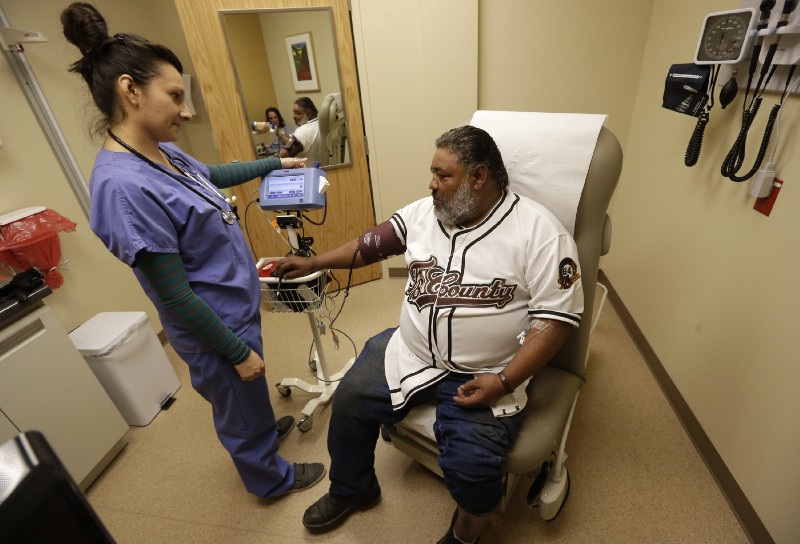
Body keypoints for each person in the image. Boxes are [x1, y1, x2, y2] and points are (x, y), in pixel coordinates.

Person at [60, 2, 325, 499]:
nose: (186, 110)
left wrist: (273, 166)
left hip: (233, 307)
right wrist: (235, 351)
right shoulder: (122, 187)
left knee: (249, 394)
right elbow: (178, 298)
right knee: (240, 401)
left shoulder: (158, 149)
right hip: (214, 326)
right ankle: (270, 479)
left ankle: (264, 437)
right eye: (176, 95)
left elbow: (212, 177)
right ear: (130, 90)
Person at [274, 125, 584, 543]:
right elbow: (369, 246)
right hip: (410, 350)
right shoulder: (425, 213)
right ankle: (353, 488)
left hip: (487, 372)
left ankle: (465, 534)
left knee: (474, 467)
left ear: (478, 177)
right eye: (432, 173)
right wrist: (315, 263)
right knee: (349, 400)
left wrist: (505, 380)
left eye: (443, 175)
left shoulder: (541, 233)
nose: (431, 184)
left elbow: (556, 322)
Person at [281, 97, 322, 165]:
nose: (294, 116)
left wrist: (267, 161)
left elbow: (285, 153)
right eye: (294, 113)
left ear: (309, 114)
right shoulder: (321, 123)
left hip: (306, 171)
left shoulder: (302, 132)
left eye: (298, 113)